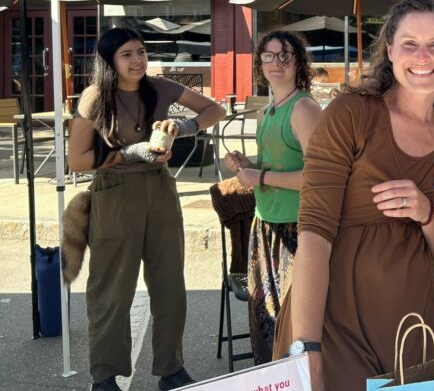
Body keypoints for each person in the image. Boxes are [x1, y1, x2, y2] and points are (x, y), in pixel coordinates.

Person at [275, 0, 434, 390]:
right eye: (410, 44)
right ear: (390, 50)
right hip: (334, 323)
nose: (422, 56)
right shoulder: (352, 114)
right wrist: (307, 346)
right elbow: (314, 232)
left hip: (414, 331)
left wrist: (426, 213)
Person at [68, 27, 226, 391]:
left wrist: (184, 126)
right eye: (127, 54)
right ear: (110, 61)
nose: (137, 60)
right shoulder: (95, 98)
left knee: (170, 285)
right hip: (114, 193)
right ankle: (105, 376)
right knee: (112, 289)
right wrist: (128, 153)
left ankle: (172, 370)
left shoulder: (160, 86)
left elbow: (214, 109)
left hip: (160, 190)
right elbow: (77, 160)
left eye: (141, 51)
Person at [223, 30, 322, 364]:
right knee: (267, 321)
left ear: (298, 62)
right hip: (266, 226)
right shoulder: (269, 110)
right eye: (269, 55)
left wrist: (260, 176)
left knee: (293, 328)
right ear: (259, 62)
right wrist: (248, 166)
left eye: (286, 55)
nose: (276, 63)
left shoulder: (304, 108)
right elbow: (278, 166)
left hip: (298, 230)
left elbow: (320, 177)